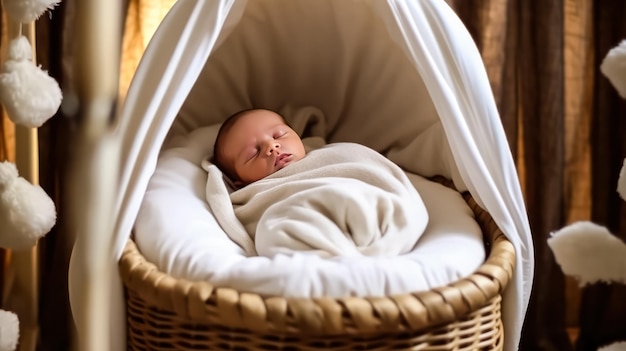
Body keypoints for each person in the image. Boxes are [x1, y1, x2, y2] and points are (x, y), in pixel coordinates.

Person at [213, 108, 307, 187]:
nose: (271, 146)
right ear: (242, 184)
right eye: (253, 154)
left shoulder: (319, 151)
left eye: (279, 135)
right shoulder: (255, 194)